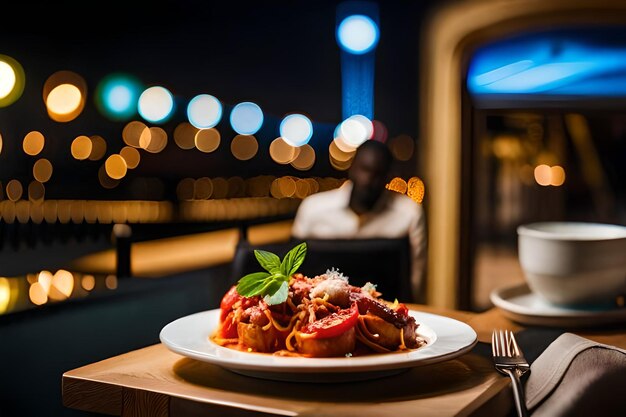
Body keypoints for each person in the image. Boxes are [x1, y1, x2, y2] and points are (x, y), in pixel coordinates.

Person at [291, 139, 427, 302]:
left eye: (378, 174)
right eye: (365, 169)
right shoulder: (313, 209)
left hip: (383, 312)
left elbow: (415, 280)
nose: (369, 180)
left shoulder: (408, 213)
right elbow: (293, 271)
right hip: (318, 311)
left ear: (388, 177)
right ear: (352, 168)